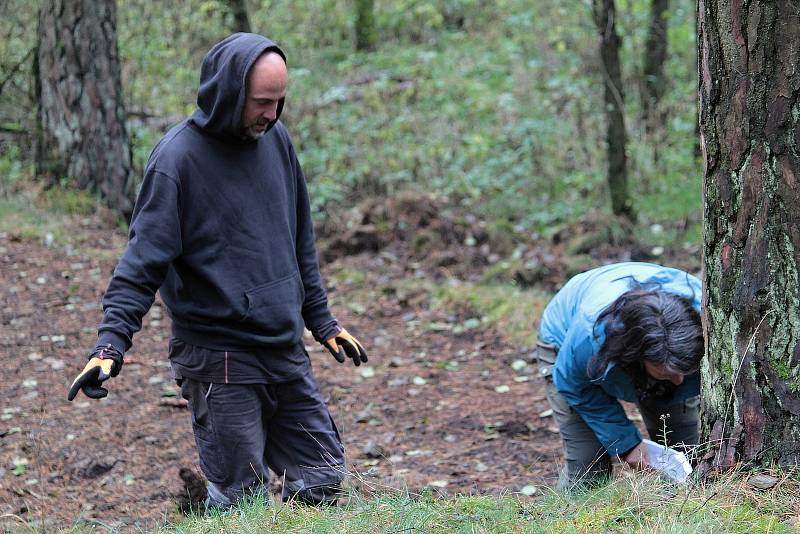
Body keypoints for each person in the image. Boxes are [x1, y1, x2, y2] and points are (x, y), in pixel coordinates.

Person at [67, 33, 368, 510]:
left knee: (322, 477)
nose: (272, 113)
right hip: (219, 358)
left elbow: (298, 239)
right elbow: (141, 264)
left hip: (281, 345)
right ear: (229, 93)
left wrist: (321, 319)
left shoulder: (276, 140)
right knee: (241, 501)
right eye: (262, 102)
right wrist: (110, 344)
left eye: (280, 101)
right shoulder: (176, 161)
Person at [535, 262, 703, 487]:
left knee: (687, 456)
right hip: (567, 346)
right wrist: (626, 444)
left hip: (659, 348)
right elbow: (575, 385)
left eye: (685, 371)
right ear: (636, 356)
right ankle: (570, 518)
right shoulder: (589, 337)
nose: (679, 382)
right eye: (668, 372)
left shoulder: (708, 319)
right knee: (589, 469)